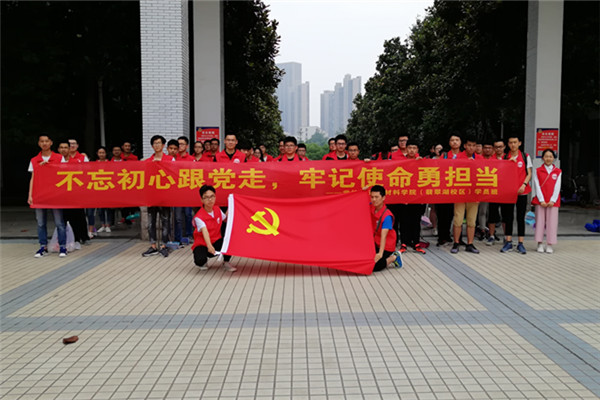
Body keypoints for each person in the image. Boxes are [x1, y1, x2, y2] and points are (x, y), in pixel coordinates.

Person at [28, 134, 68, 257]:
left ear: (51, 143)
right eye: (42, 141)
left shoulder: (59, 158)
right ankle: (43, 247)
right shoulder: (34, 160)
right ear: (39, 143)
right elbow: (33, 178)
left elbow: (64, 173)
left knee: (59, 222)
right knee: (40, 223)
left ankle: (62, 247)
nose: (44, 143)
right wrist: (30, 195)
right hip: (39, 194)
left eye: (46, 141)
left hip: (55, 194)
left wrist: (50, 167)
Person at [142, 135, 175, 257]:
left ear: (163, 145)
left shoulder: (170, 159)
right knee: (151, 221)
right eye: (155, 143)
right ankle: (153, 246)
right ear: (152, 146)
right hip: (151, 195)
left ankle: (164, 245)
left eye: (159, 143)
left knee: (165, 221)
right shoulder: (147, 162)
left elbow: (174, 174)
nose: (157, 145)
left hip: (165, 195)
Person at [500, 135, 532, 254]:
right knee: (508, 217)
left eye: (515, 142)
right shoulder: (504, 157)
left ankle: (520, 243)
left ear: (519, 143)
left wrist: (524, 184)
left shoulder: (525, 156)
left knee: (520, 217)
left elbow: (529, 173)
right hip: (509, 192)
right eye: (510, 142)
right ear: (508, 144)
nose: (513, 145)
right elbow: (500, 173)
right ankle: (508, 242)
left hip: (522, 191)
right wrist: (507, 163)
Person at [192, 185, 236, 272]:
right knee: (200, 260)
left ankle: (226, 262)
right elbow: (205, 231)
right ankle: (203, 261)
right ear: (202, 200)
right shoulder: (199, 217)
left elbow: (225, 219)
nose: (210, 199)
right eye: (206, 197)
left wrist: (231, 207)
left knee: (229, 242)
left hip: (216, 241)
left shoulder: (217, 209)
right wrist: (209, 246)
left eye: (212, 196)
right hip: (203, 244)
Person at [450, 137, 481, 254]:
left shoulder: (480, 158)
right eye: (469, 145)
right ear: (465, 146)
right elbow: (451, 171)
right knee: (458, 219)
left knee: (471, 220)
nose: (471, 148)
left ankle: (470, 243)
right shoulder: (457, 157)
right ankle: (456, 242)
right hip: (460, 193)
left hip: (474, 194)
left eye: (474, 145)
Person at [397, 141, 426, 254]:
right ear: (406, 149)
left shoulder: (422, 162)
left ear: (417, 150)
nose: (412, 150)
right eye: (410, 148)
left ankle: (416, 243)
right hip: (404, 197)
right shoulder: (400, 162)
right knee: (404, 221)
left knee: (416, 221)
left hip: (417, 197)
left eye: (414, 148)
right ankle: (404, 243)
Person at [532, 149, 561, 254]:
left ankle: (549, 244)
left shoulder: (558, 171)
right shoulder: (538, 170)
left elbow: (557, 186)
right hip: (540, 201)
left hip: (553, 202)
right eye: (546, 156)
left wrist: (553, 200)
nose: (548, 158)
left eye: (550, 156)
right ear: (543, 158)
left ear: (553, 158)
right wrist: (541, 200)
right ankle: (539, 243)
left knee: (552, 223)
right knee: (540, 222)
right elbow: (537, 185)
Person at [370, 185, 401, 272]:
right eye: (372, 197)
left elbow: (383, 237)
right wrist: (362, 191)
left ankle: (393, 257)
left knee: (374, 266)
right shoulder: (371, 207)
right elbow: (359, 201)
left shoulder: (387, 216)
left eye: (377, 197)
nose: (374, 200)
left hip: (386, 246)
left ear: (383, 198)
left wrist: (380, 254)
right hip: (375, 242)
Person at [174, 136, 195, 245]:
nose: (180, 146)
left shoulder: (191, 159)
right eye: (178, 144)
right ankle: (178, 237)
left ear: (187, 146)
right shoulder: (173, 158)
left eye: (182, 144)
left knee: (188, 214)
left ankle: (189, 235)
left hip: (187, 191)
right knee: (177, 217)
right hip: (176, 192)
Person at [486, 138, 507, 245]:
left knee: (505, 214)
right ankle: (491, 236)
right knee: (492, 214)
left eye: (500, 147)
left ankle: (506, 236)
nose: (498, 149)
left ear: (504, 147)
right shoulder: (490, 160)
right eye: (496, 147)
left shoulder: (509, 159)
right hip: (493, 191)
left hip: (505, 192)